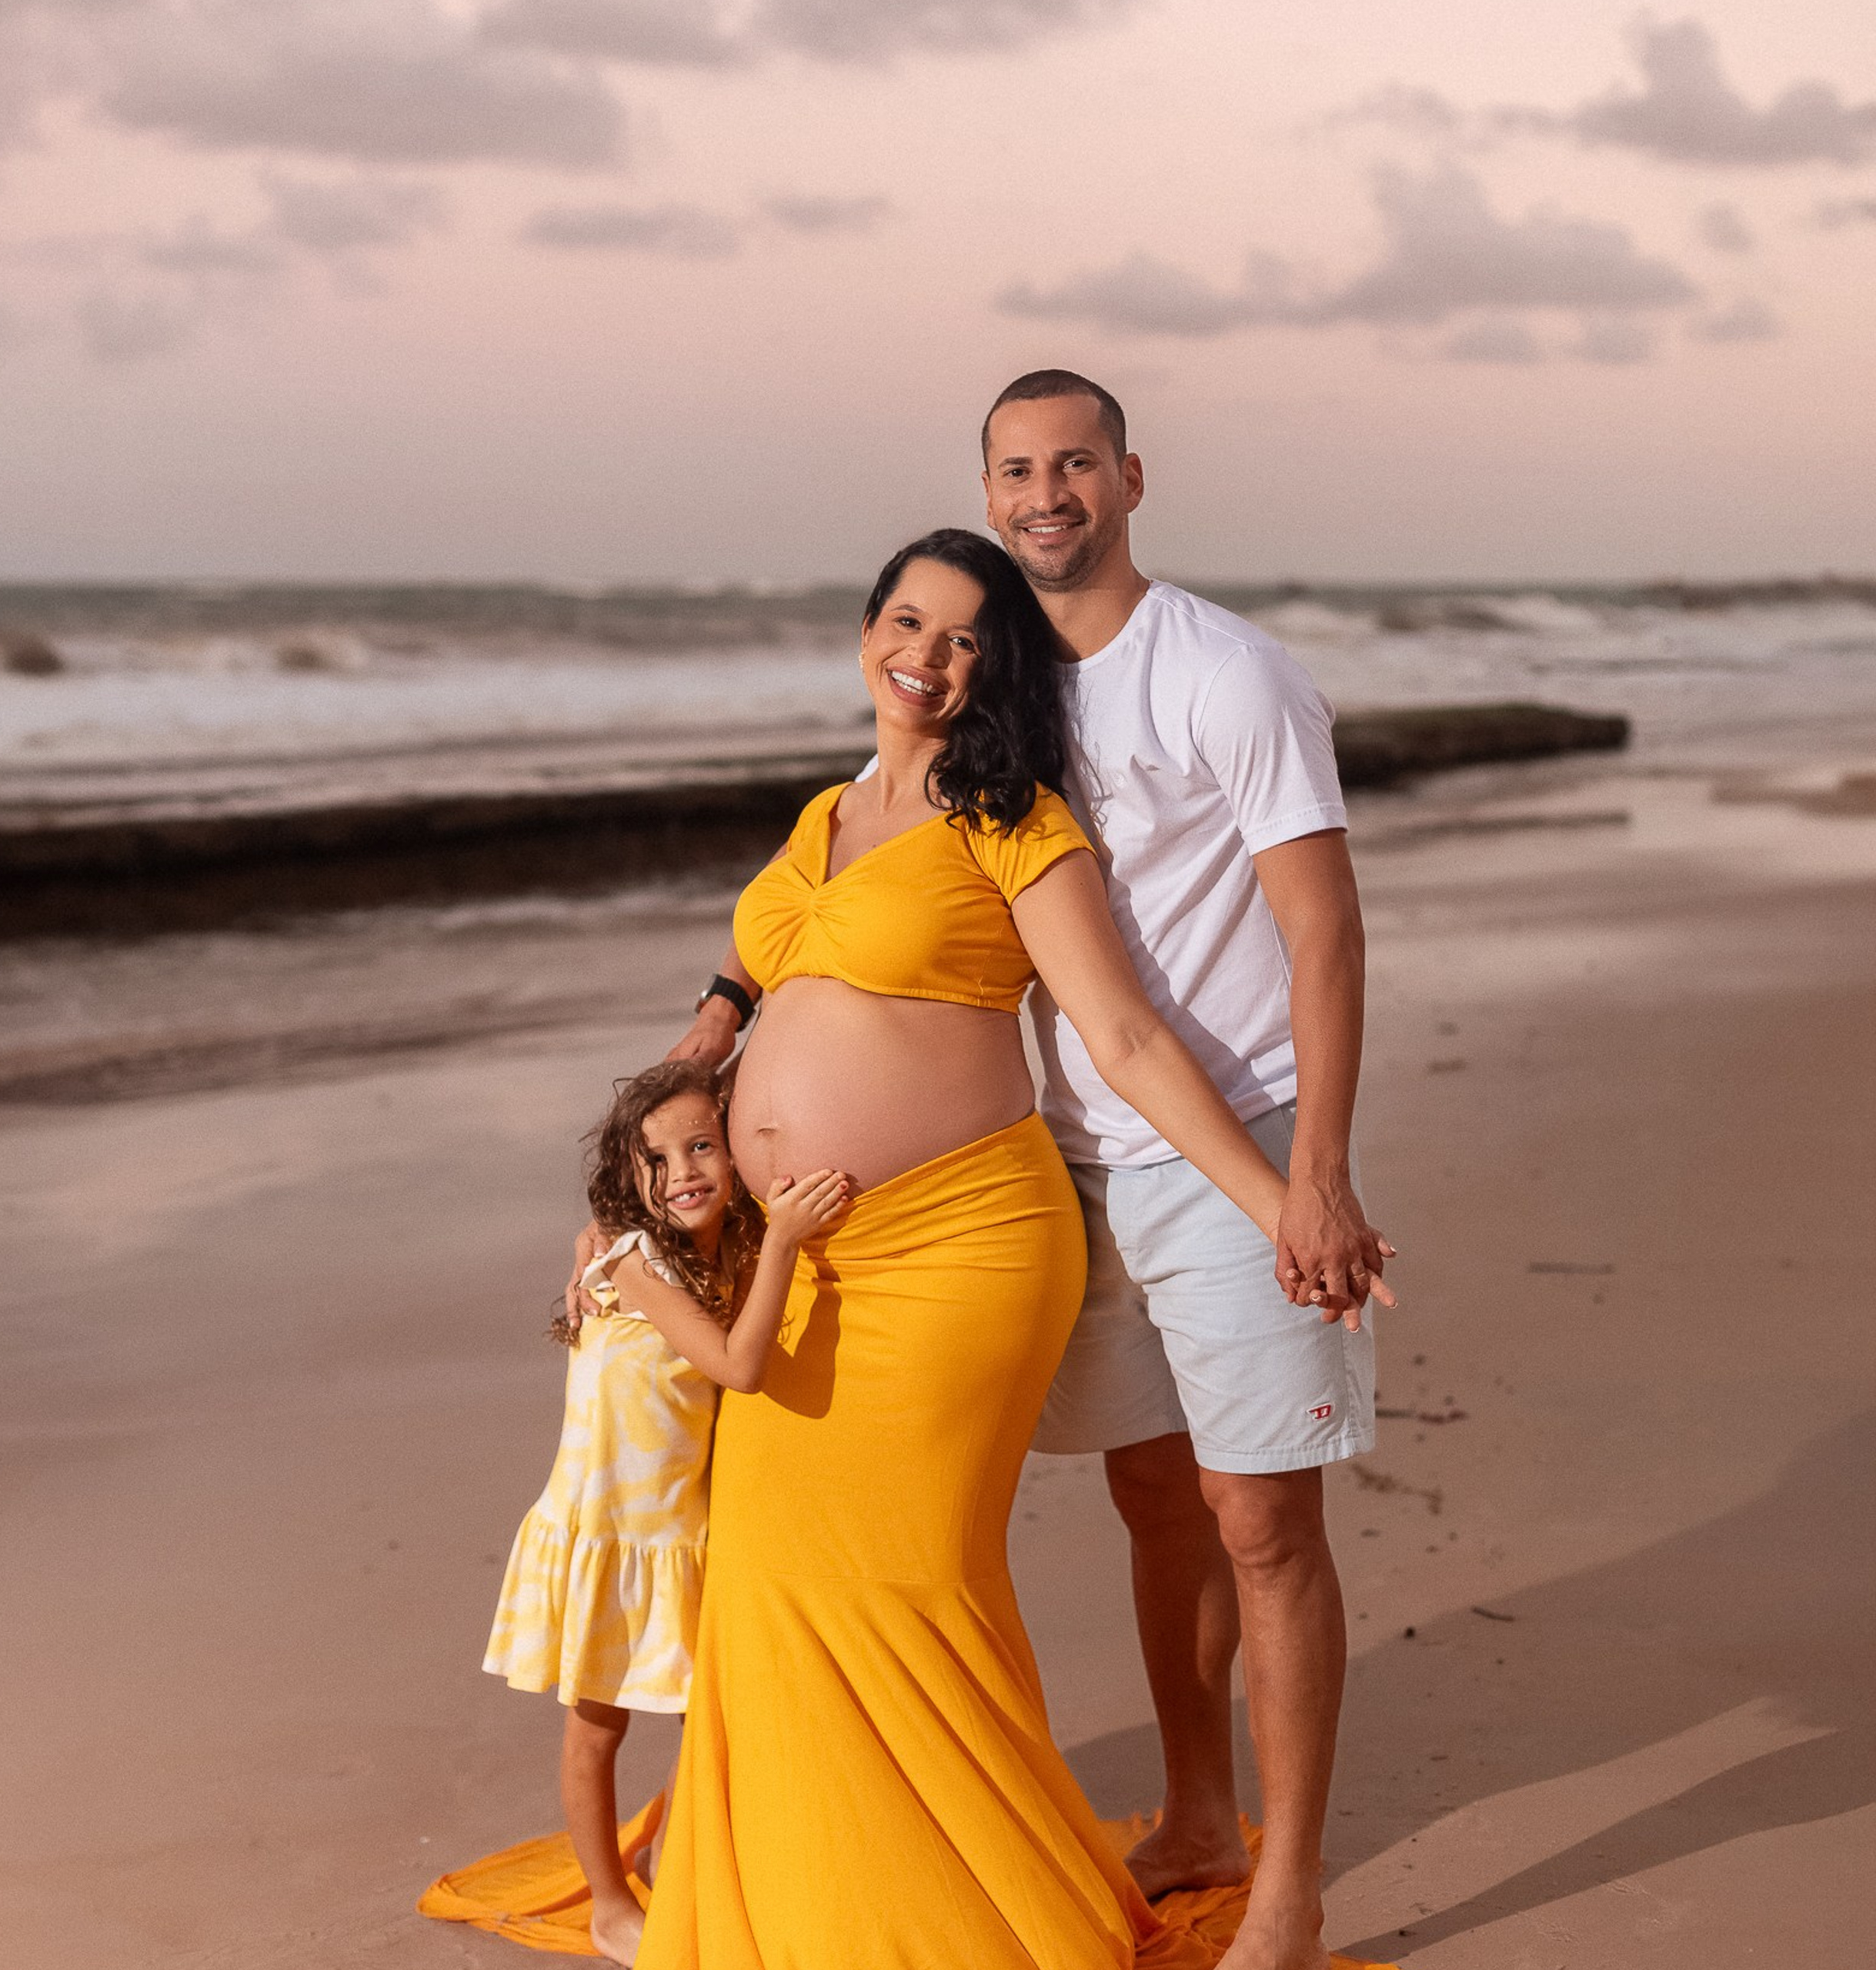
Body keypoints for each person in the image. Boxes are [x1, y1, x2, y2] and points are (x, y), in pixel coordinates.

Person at [671, 373, 1386, 1970]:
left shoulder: (1212, 681)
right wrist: (704, 1040)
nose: (1045, 489)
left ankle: (1288, 1884)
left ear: (1128, 476)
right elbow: (789, 928)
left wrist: (1307, 1183)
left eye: (1073, 461)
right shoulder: (962, 731)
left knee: (1253, 1518)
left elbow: (1309, 935)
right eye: (1015, 467)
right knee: (1147, 1494)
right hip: (1042, 1161)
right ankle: (1197, 1807)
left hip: (1198, 1139)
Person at [482, 1060, 850, 1966]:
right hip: (610, 1534)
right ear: (627, 1176)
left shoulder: (719, 1249)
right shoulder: (639, 1261)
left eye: (702, 1146)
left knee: (704, 1715)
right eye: (655, 1158)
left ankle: (670, 1853)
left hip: (679, 1536)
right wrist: (789, 1243)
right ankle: (610, 1903)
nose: (682, 1170)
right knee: (598, 1727)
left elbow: (599, 1230)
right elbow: (736, 1365)